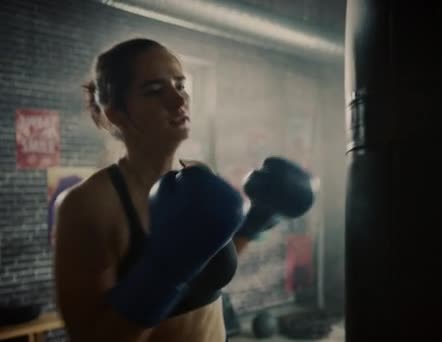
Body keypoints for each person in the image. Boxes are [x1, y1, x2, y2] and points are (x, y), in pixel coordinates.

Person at [53, 38, 314, 342]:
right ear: (117, 113)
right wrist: (162, 274)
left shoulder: (198, 173)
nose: (179, 100)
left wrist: (255, 222)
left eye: (179, 84)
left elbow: (205, 264)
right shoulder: (90, 204)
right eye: (154, 90)